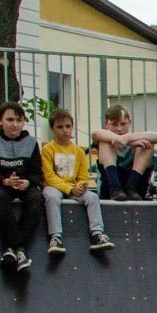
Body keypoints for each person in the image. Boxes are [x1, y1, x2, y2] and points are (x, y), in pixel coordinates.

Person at [38, 108, 114, 257]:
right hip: (54, 186)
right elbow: (49, 176)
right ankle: (56, 237)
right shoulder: (48, 149)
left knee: (92, 197)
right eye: (60, 127)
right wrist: (69, 189)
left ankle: (98, 234)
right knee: (51, 197)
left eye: (68, 126)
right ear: (53, 129)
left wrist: (80, 186)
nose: (65, 130)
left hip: (73, 187)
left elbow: (82, 176)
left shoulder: (79, 151)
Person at [0, 101, 44, 272]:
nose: (15, 124)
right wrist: (4, 181)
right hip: (2, 185)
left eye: (19, 120)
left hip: (24, 185)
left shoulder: (31, 142)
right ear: (0, 121)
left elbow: (37, 173)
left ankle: (12, 249)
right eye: (10, 120)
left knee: (36, 198)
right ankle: (19, 248)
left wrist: (28, 182)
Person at [91, 104, 157, 201]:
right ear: (106, 123)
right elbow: (95, 133)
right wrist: (127, 141)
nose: (119, 129)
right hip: (108, 190)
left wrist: (128, 138)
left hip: (136, 191)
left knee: (147, 144)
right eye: (114, 124)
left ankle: (131, 187)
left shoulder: (135, 138)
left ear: (129, 122)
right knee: (105, 142)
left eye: (123, 124)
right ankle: (115, 188)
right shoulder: (103, 135)